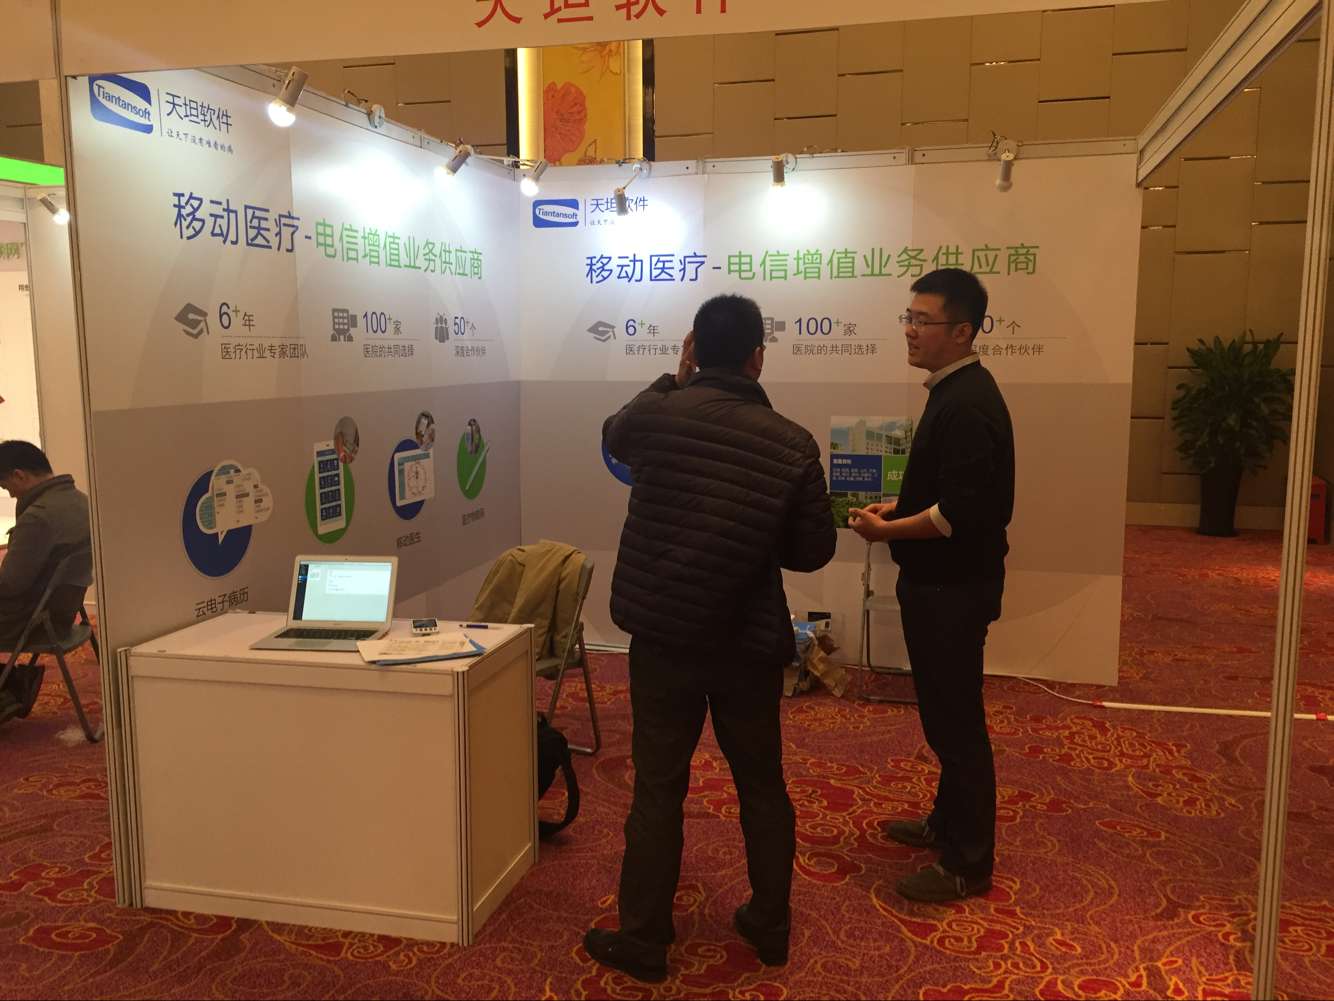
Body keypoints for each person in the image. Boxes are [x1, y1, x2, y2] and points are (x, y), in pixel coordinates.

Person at [585, 294, 837, 983]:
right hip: (746, 641)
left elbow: (614, 436)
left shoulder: (657, 414)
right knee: (761, 783)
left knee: (657, 786)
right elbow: (812, 551)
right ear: (759, 356)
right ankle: (770, 924)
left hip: (663, 639)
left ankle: (644, 937)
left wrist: (672, 379)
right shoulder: (792, 442)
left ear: (694, 349)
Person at [847, 268, 1015, 903]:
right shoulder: (955, 391)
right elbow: (948, 492)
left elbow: (957, 516)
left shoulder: (968, 402)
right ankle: (947, 824)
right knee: (945, 717)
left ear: (963, 331)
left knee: (956, 725)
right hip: (943, 584)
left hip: (953, 589)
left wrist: (886, 532)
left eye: (923, 321)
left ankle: (968, 863)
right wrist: (900, 506)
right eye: (908, 318)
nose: (911, 331)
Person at [0, 441, 92, 720]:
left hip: (29, 620)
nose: (10, 494)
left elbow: (10, 585)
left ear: (19, 475)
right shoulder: (80, 500)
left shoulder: (38, 517)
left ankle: (7, 692)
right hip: (62, 613)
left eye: (6, 487)